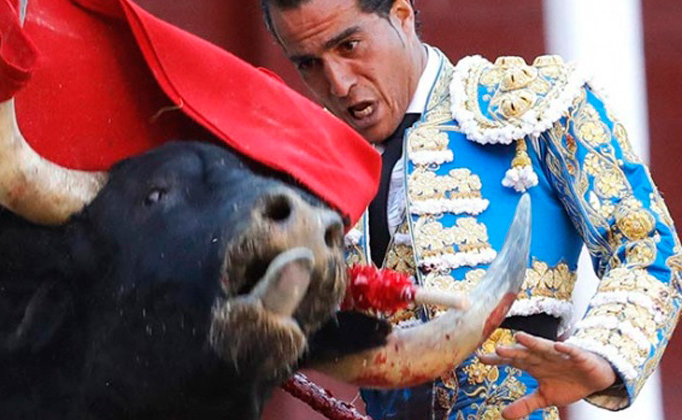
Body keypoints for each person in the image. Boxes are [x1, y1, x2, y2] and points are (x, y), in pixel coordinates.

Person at [261, 0, 682, 418]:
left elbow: (645, 247)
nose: (337, 83)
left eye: (349, 46)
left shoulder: (535, 109)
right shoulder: (301, 167)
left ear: (401, 16)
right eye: (308, 64)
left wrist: (603, 355)